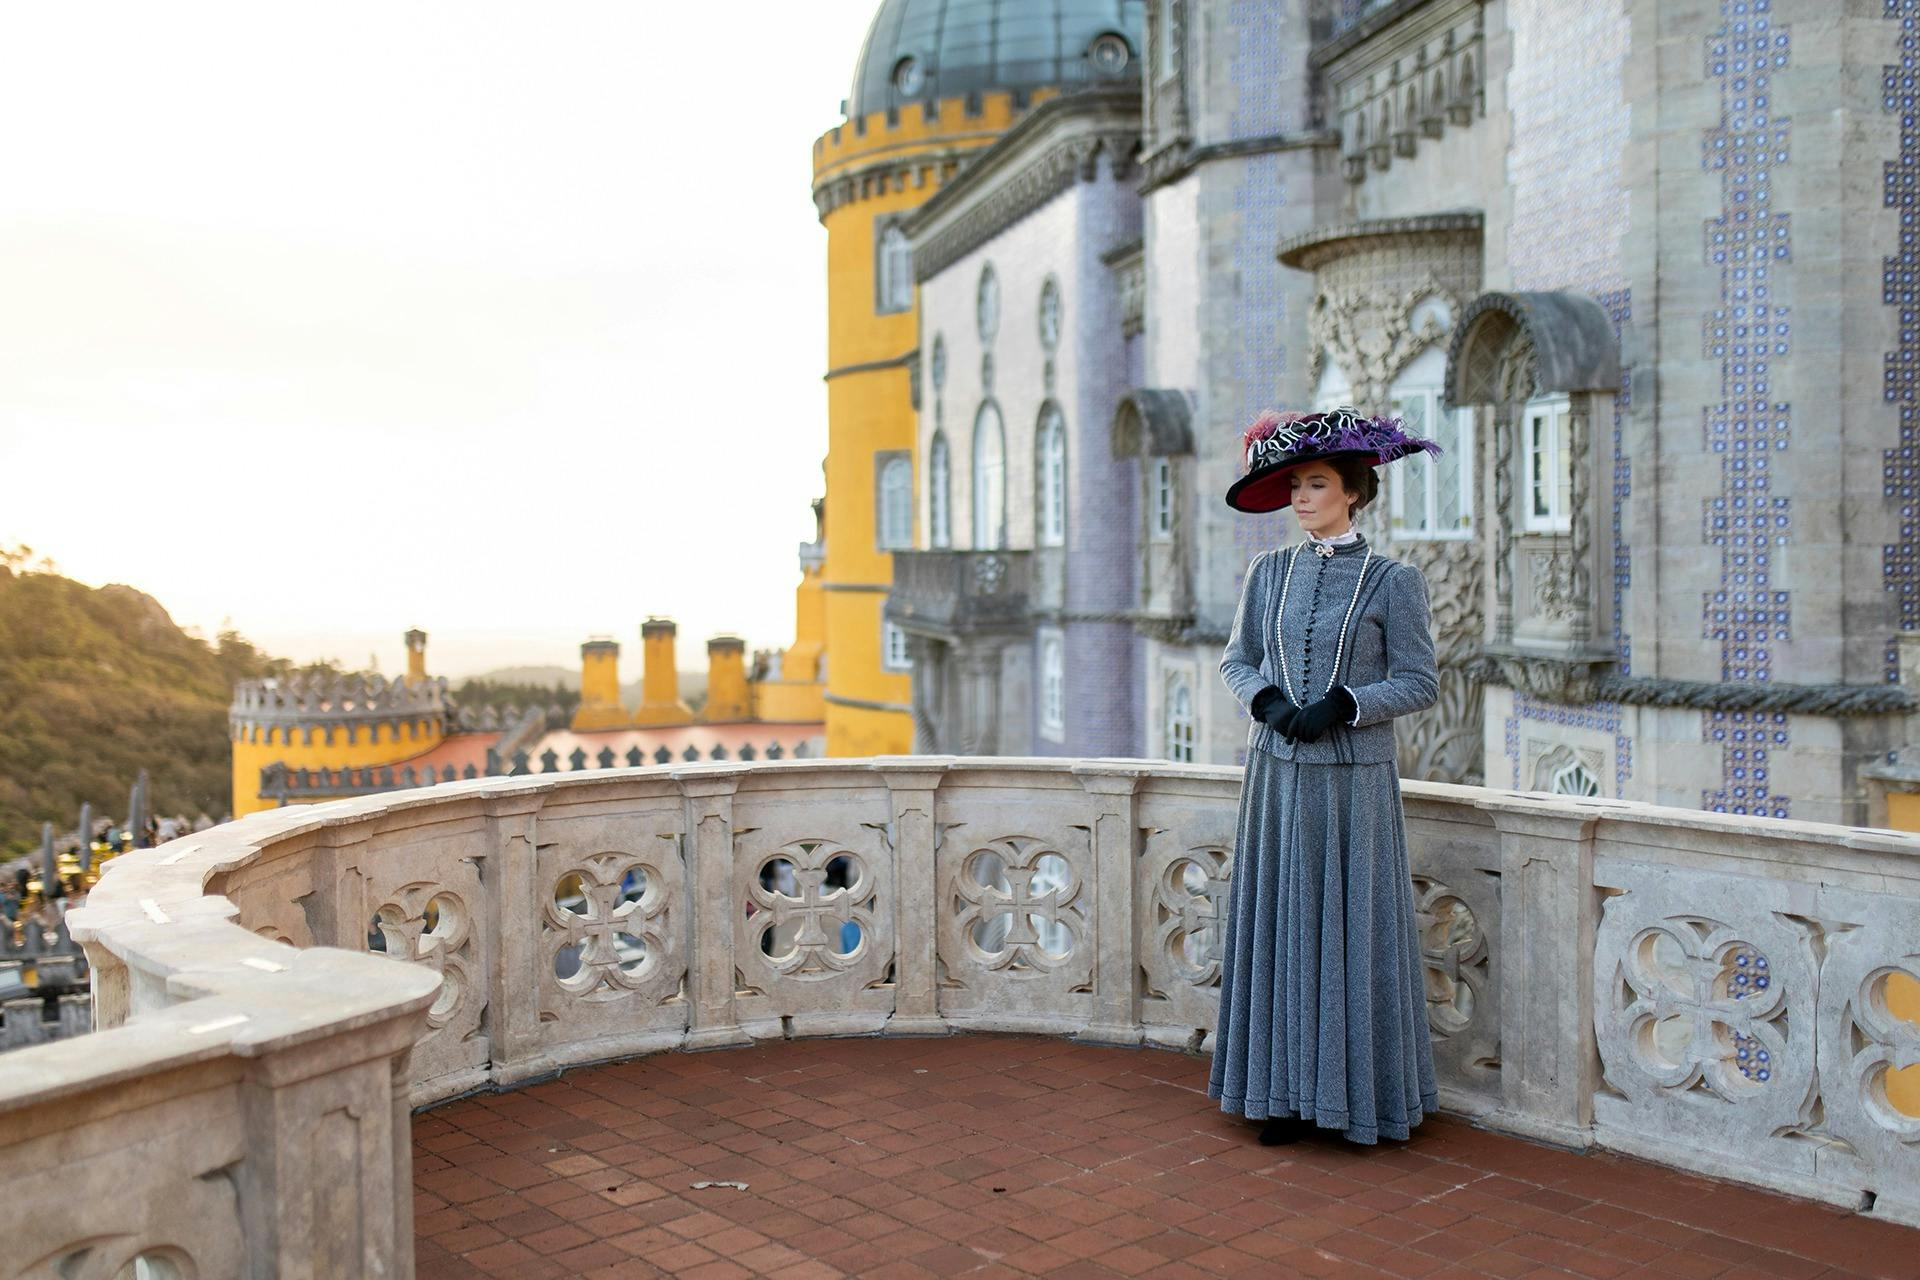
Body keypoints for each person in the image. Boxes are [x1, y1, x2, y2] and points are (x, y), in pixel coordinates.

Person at [1209, 406, 1443, 1147]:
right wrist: (1268, 700)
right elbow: (1235, 659)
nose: (1301, 498)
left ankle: (1349, 1104)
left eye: (1315, 484)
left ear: (1352, 491)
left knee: (1350, 935)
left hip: (1354, 788)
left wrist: (1346, 705)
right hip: (1276, 781)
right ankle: (1275, 1097)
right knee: (1279, 928)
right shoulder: (1267, 572)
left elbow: (1419, 682)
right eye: (1295, 487)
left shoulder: (1393, 582)